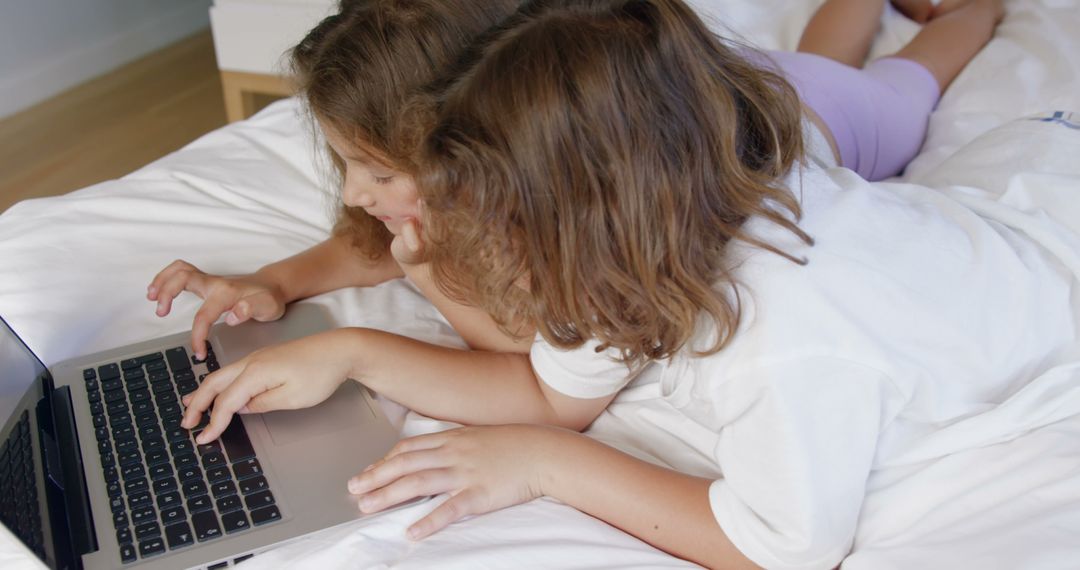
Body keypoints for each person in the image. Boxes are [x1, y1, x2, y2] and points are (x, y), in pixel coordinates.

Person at [181, 0, 1044, 568]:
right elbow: (558, 385)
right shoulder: (639, 238)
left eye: (492, 226)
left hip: (1031, 234)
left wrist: (551, 464)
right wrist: (351, 344)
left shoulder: (786, 344)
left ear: (579, 221)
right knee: (842, 66)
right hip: (955, 228)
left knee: (897, 86)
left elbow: (780, 547)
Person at [146, 0, 533, 361]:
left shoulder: (535, 226)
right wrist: (271, 282)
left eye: (382, 175)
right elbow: (372, 250)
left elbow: (524, 352)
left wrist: (424, 271)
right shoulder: (423, 209)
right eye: (348, 164)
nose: (352, 195)